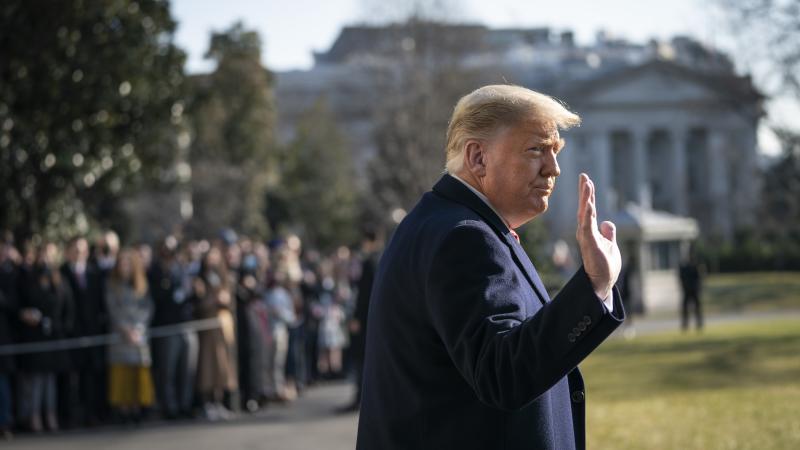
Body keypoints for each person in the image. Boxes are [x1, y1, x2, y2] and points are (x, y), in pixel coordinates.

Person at [356, 85, 625, 450]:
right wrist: (594, 284)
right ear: (478, 158)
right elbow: (503, 374)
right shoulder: (463, 237)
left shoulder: (444, 224)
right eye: (536, 150)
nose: (554, 168)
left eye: (556, 151)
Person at [148, 237, 197, 420]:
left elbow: (188, 292)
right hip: (167, 326)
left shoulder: (181, 269)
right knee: (167, 370)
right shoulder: (155, 271)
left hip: (186, 323)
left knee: (187, 370)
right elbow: (158, 297)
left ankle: (185, 404)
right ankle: (170, 406)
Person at [105, 248, 155, 424]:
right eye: (122, 263)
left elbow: (147, 307)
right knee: (122, 375)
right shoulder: (112, 285)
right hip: (121, 337)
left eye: (128, 263)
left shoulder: (142, 284)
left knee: (138, 374)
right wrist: (125, 329)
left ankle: (137, 407)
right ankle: (123, 410)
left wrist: (138, 328)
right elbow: (113, 309)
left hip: (139, 336)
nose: (125, 267)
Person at [338, 228, 380, 412]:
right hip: (373, 317)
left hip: (364, 318)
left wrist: (356, 318)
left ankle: (361, 396)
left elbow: (364, 295)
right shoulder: (380, 259)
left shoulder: (370, 262)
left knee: (361, 358)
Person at [679, 251, 704, 331]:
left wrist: (699, 287)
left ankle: (699, 324)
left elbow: (700, 277)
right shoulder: (684, 267)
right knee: (685, 308)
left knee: (697, 308)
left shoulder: (696, 266)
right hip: (687, 290)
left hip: (694, 289)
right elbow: (681, 278)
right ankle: (685, 324)